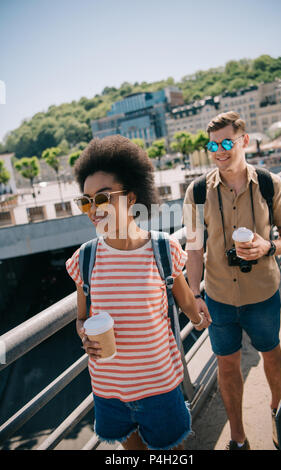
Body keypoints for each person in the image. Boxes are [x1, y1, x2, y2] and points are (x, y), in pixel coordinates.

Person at [65, 135, 211, 451]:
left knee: (171, 450)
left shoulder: (163, 249)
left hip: (160, 387)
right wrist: (84, 336)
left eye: (102, 198)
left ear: (131, 198)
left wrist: (199, 317)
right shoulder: (84, 259)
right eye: (86, 201)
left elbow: (186, 301)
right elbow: (81, 319)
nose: (93, 209)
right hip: (110, 391)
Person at [183, 111, 281, 450]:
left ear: (244, 140)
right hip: (218, 297)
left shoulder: (270, 184)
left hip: (262, 294)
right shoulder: (196, 191)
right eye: (212, 144)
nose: (219, 151)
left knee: (271, 353)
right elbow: (193, 249)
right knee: (227, 365)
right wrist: (194, 294)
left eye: (226, 142)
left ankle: (278, 414)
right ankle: (238, 438)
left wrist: (269, 246)